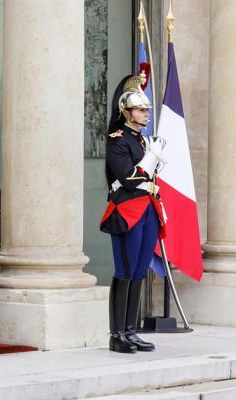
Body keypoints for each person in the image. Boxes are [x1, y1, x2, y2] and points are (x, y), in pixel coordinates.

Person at [100, 73, 167, 353]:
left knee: (140, 270)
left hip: (147, 209)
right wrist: (152, 157)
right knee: (126, 270)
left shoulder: (141, 140)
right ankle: (117, 335)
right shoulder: (119, 140)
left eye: (147, 110)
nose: (146, 114)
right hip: (127, 210)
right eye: (141, 110)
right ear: (126, 112)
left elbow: (151, 179)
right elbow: (128, 178)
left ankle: (131, 330)